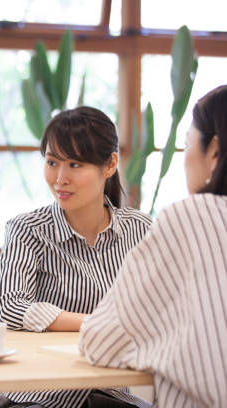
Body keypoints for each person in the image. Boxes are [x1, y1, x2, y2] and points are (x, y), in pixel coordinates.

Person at [0, 106, 153, 408]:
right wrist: (93, 323)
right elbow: (10, 307)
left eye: (75, 164)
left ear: (110, 164)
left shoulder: (140, 230)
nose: (60, 178)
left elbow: (160, 307)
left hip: (110, 392)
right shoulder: (28, 229)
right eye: (52, 162)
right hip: (37, 395)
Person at [79, 86, 227, 408]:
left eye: (187, 143)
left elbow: (100, 342)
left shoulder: (190, 217)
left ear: (214, 152)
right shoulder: (26, 227)